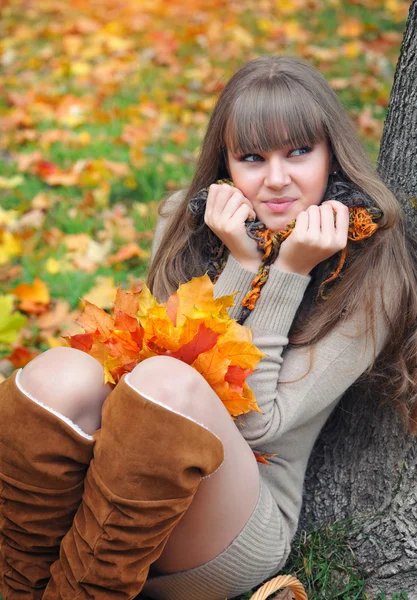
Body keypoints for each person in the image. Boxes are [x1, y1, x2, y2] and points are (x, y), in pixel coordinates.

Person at [1, 56, 416, 600]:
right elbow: (162, 362)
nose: (275, 179)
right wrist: (238, 264)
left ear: (331, 153)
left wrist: (288, 272)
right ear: (225, 162)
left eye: (298, 152)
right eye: (252, 157)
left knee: (166, 384)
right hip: (125, 479)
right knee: (60, 372)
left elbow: (253, 425)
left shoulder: (373, 268)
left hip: (237, 519)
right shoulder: (186, 219)